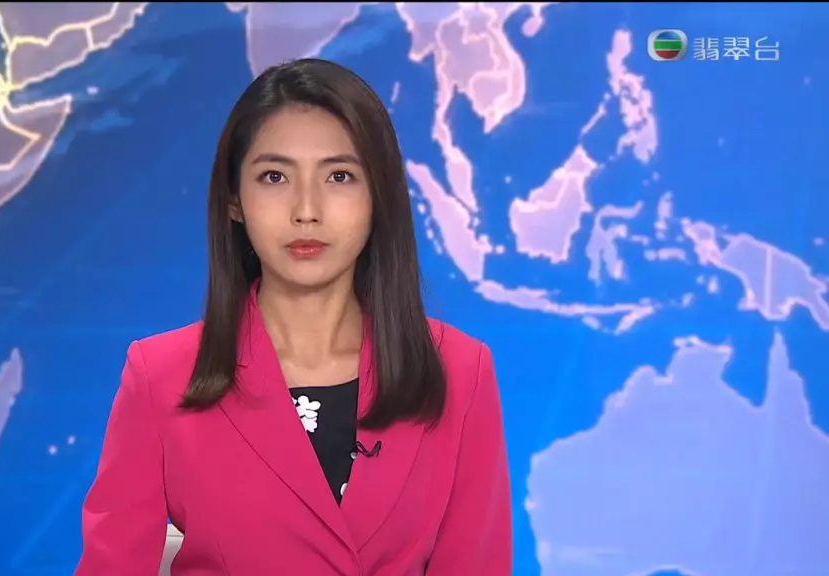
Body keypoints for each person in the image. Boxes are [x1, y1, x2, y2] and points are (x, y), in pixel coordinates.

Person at [76, 58, 512, 575]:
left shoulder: (459, 371)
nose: (307, 209)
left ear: (378, 196)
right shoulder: (161, 376)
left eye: (340, 176)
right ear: (235, 200)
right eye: (275, 176)